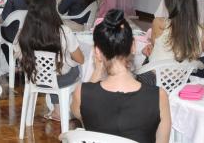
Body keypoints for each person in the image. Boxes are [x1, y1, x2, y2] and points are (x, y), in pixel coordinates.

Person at [71, 9, 171, 143]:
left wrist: (97, 70)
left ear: (97, 53)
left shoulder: (81, 93)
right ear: (134, 46)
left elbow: (81, 113)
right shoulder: (159, 97)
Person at [14, 0, 84, 121]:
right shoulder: (64, 32)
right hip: (59, 80)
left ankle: (57, 110)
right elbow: (80, 59)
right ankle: (74, 107)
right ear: (53, 9)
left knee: (53, 70)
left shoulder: (23, 33)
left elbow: (17, 54)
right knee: (74, 68)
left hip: (35, 77)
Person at [141, 0, 204, 84]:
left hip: (154, 79)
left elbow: (155, 46)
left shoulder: (159, 23)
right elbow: (193, 56)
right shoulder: (203, 33)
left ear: (171, 4)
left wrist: (149, 48)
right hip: (181, 81)